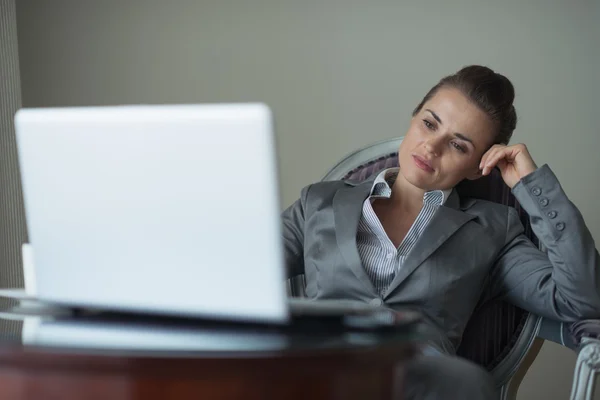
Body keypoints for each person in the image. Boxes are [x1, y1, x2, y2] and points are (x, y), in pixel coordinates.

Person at [281, 65, 600, 399]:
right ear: (414, 116)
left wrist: (533, 187)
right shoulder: (319, 202)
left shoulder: (493, 231)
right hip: (315, 371)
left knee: (468, 384)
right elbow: (237, 275)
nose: (431, 147)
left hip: (423, 381)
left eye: (458, 146)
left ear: (480, 167)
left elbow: (584, 300)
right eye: (429, 124)